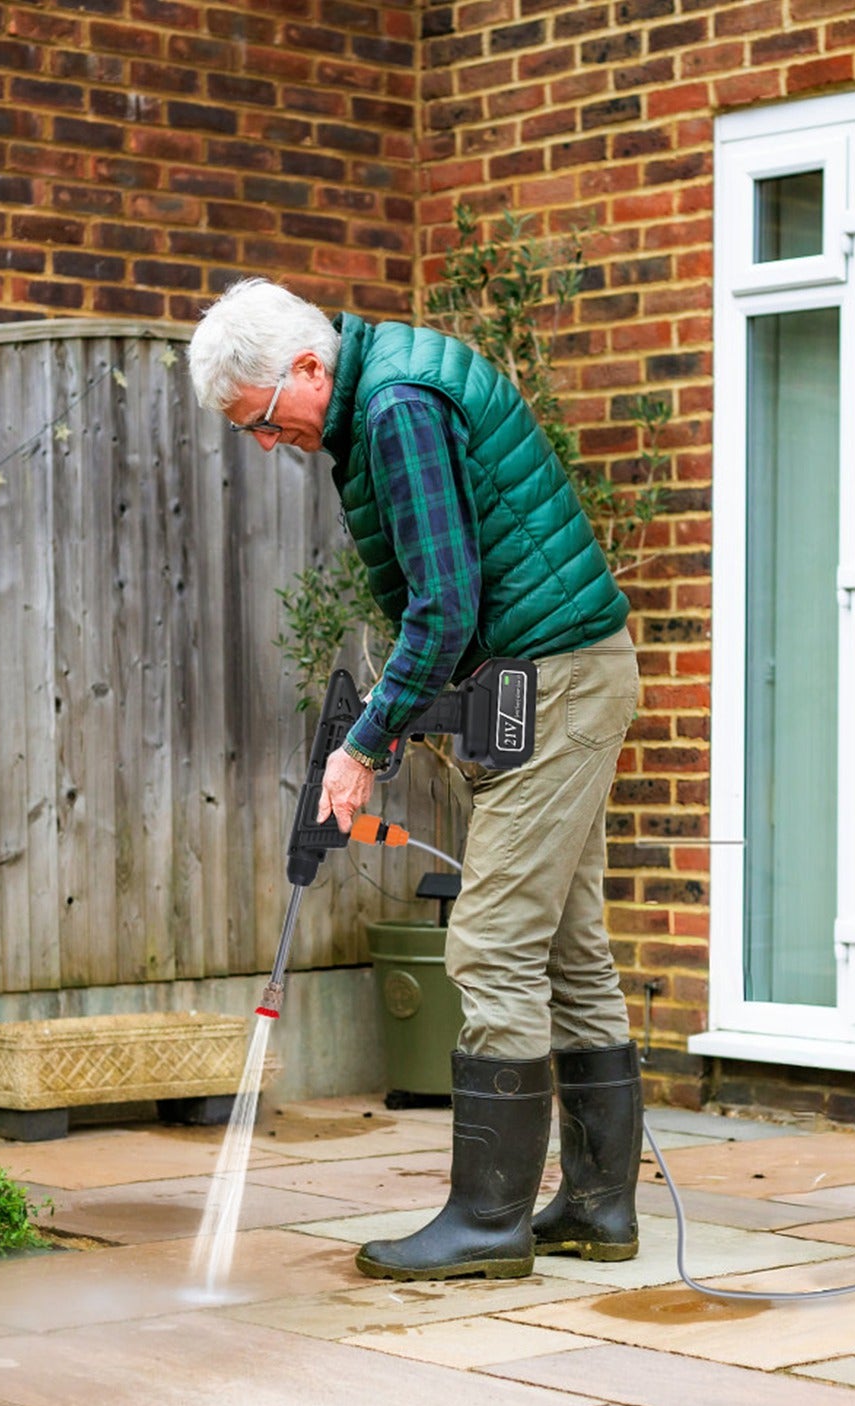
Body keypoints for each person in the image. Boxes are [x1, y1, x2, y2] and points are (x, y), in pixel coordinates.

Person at [187, 277, 644, 1282]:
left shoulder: (395, 406)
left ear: (309, 368)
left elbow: (443, 605)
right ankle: (598, 1211)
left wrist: (363, 745)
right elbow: (448, 609)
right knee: (568, 945)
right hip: (562, 673)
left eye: (264, 420)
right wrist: (388, 730)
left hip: (556, 680)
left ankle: (488, 1224)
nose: (266, 443)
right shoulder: (387, 389)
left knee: (491, 944)